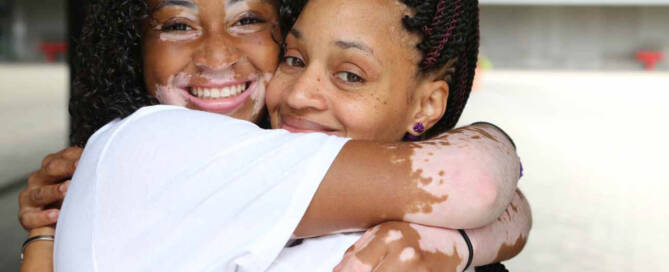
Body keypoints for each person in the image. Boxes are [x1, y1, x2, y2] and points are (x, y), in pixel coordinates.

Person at [18, 0, 530, 271]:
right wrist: (464, 240)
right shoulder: (150, 144)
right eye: (176, 25)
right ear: (133, 43)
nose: (217, 57)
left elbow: (499, 199)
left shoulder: (296, 179)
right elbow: (479, 184)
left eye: (248, 20)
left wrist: (461, 241)